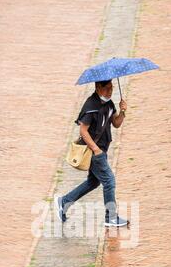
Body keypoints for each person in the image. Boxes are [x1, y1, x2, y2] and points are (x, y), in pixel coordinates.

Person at [55, 79, 129, 227]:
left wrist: (122, 111)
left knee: (93, 182)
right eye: (106, 88)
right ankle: (111, 217)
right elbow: (82, 130)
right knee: (109, 181)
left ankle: (64, 202)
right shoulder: (91, 105)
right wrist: (96, 150)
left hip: (102, 149)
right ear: (97, 87)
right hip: (94, 151)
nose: (110, 91)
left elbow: (116, 123)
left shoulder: (108, 103)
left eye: (111, 88)